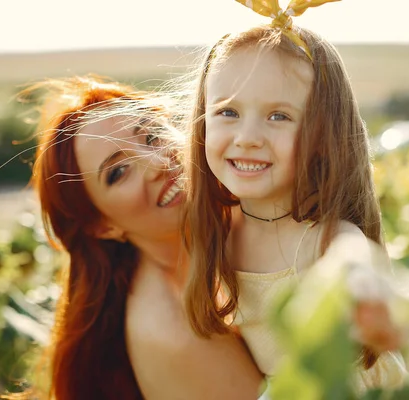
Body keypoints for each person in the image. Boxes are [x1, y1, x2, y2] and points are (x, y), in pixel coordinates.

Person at [183, 0, 409, 394]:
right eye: (228, 112)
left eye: (279, 116)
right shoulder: (216, 228)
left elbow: (353, 260)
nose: (248, 137)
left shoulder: (323, 238)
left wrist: (364, 284)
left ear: (324, 136)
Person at [15, 75, 263, 399]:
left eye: (150, 135)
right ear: (101, 226)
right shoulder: (174, 330)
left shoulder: (220, 237)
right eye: (118, 172)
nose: (157, 164)